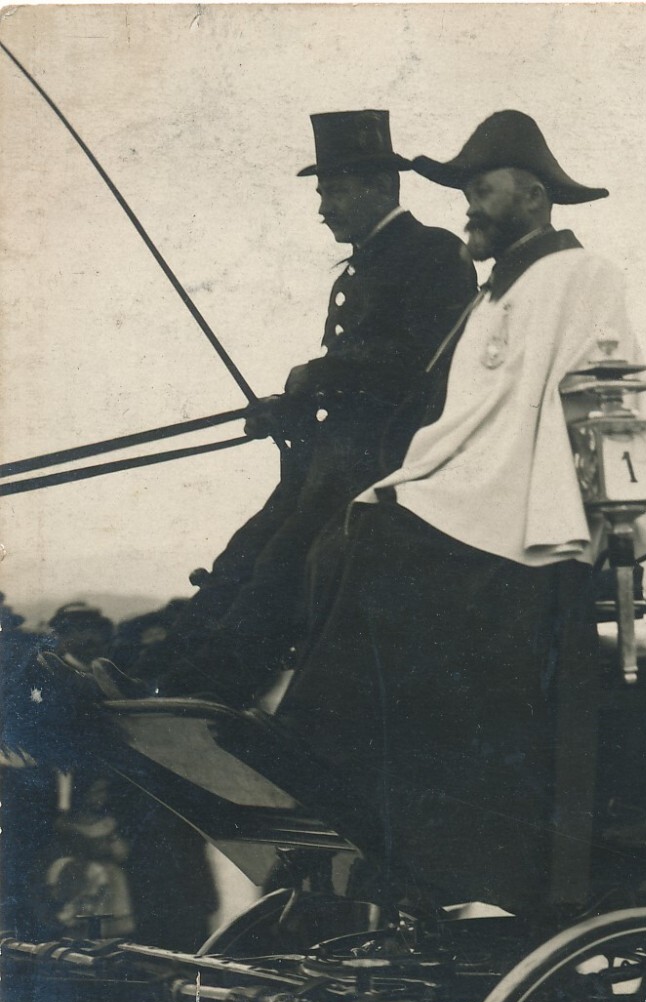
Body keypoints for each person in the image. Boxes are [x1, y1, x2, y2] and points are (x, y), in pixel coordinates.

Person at [276, 109, 646, 914]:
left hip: (530, 527)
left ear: (533, 195)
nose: (469, 208)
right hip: (470, 500)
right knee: (344, 540)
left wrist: (624, 527)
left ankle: (320, 760)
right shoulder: (489, 297)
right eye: (465, 195)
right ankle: (337, 778)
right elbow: (456, 423)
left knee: (380, 547)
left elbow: (613, 393)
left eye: (481, 191)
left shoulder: (583, 275)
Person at [138, 110, 479, 705]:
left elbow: (426, 365)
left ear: (380, 187)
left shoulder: (432, 252)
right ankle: (154, 683)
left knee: (277, 566)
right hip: (330, 459)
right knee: (241, 555)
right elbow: (357, 373)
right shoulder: (369, 261)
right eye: (323, 193)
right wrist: (291, 405)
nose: (324, 208)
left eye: (335, 192)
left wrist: (319, 376)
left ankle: (203, 698)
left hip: (385, 461)